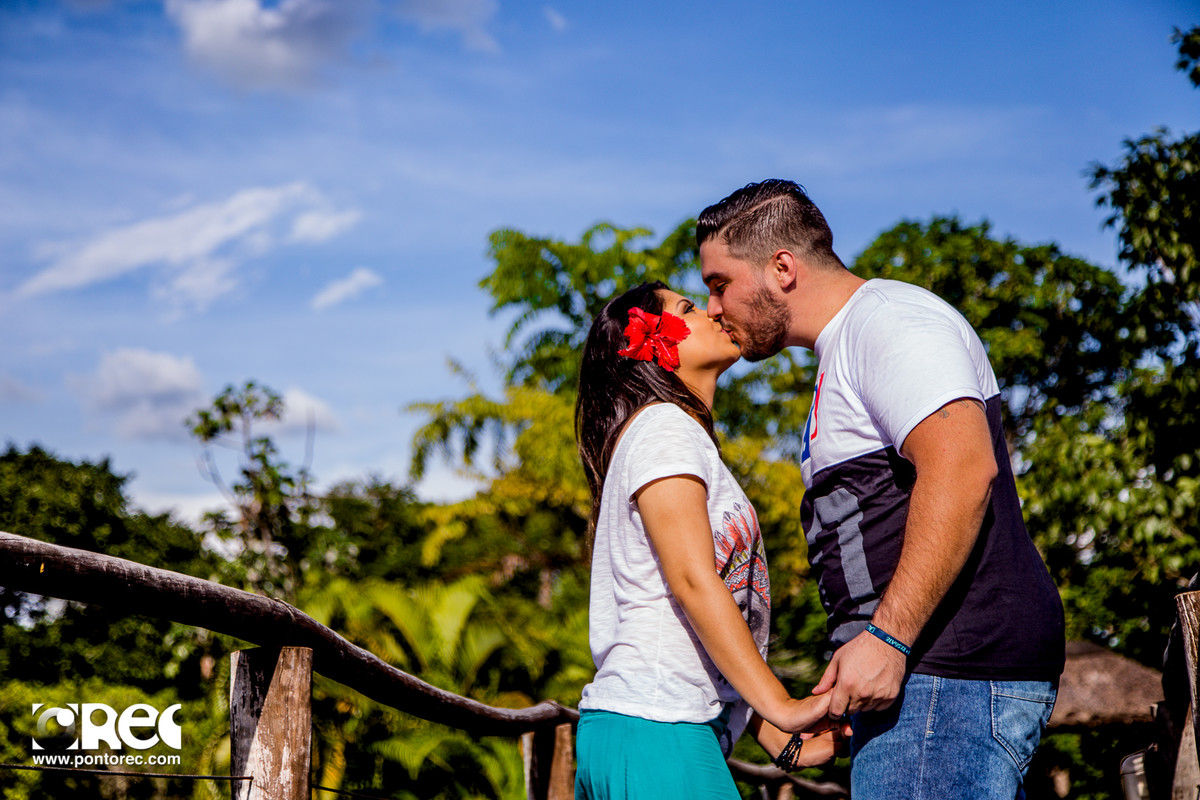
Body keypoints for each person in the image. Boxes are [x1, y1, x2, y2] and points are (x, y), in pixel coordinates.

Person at [696, 180, 1066, 800]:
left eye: (719, 284)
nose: (712, 308)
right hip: (928, 685)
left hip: (949, 677)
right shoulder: (848, 345)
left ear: (782, 268)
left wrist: (888, 639)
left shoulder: (889, 323)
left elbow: (963, 469)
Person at [573, 281, 845, 800]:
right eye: (688, 307)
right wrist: (784, 707)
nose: (713, 311)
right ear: (651, 346)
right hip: (656, 731)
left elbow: (690, 627)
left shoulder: (672, 434)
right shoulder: (663, 428)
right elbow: (694, 581)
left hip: (655, 733)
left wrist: (783, 741)